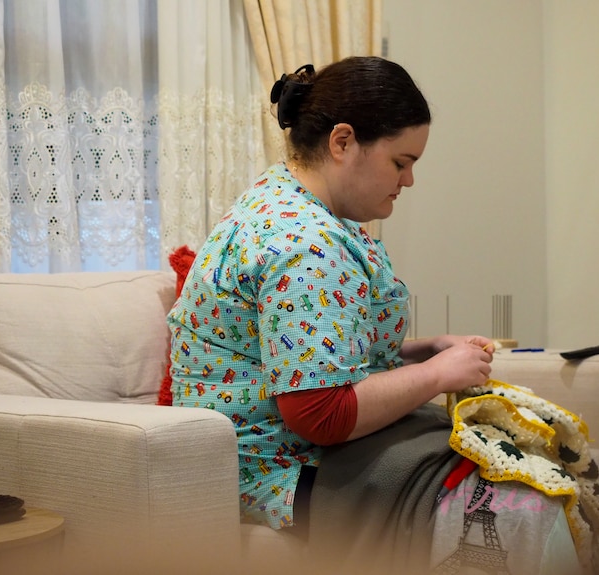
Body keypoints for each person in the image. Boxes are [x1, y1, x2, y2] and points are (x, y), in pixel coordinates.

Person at [165, 56, 495, 536]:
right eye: (400, 162)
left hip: (272, 457)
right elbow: (320, 413)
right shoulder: (305, 243)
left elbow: (295, 352)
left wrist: (418, 351)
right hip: (275, 473)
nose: (408, 181)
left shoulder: (279, 199)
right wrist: (435, 375)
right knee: (507, 487)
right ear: (343, 142)